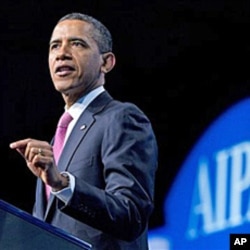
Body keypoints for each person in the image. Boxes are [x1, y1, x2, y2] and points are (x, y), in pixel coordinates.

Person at [9, 12, 158, 250]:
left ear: (106, 62)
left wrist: (62, 184)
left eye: (77, 43)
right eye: (54, 46)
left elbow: (132, 215)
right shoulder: (58, 140)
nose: (62, 53)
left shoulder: (122, 118)